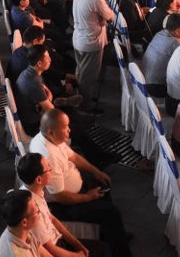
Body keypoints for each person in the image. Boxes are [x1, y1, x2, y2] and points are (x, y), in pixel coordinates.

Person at [29, 109, 130, 257]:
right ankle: (121, 250)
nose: (69, 130)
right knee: (111, 212)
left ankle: (114, 235)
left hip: (73, 191)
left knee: (101, 183)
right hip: (63, 205)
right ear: (51, 132)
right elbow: (59, 196)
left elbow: (74, 157)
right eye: (65, 127)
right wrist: (88, 197)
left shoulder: (52, 138)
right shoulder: (48, 155)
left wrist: (96, 171)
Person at [15, 152, 104, 257]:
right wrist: (79, 255)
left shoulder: (35, 191)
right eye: (48, 169)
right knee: (102, 249)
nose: (51, 170)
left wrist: (77, 244)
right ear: (39, 179)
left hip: (58, 238)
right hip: (56, 248)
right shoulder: (32, 210)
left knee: (101, 247)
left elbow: (52, 219)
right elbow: (50, 249)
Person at [70, 0, 110, 114]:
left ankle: (78, 99)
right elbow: (110, 16)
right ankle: (85, 107)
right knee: (88, 78)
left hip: (79, 39)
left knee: (81, 72)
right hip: (91, 43)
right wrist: (102, 19)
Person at [0, 188, 41, 257]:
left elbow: (40, 250)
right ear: (24, 222)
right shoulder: (16, 254)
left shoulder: (17, 230)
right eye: (36, 210)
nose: (39, 211)